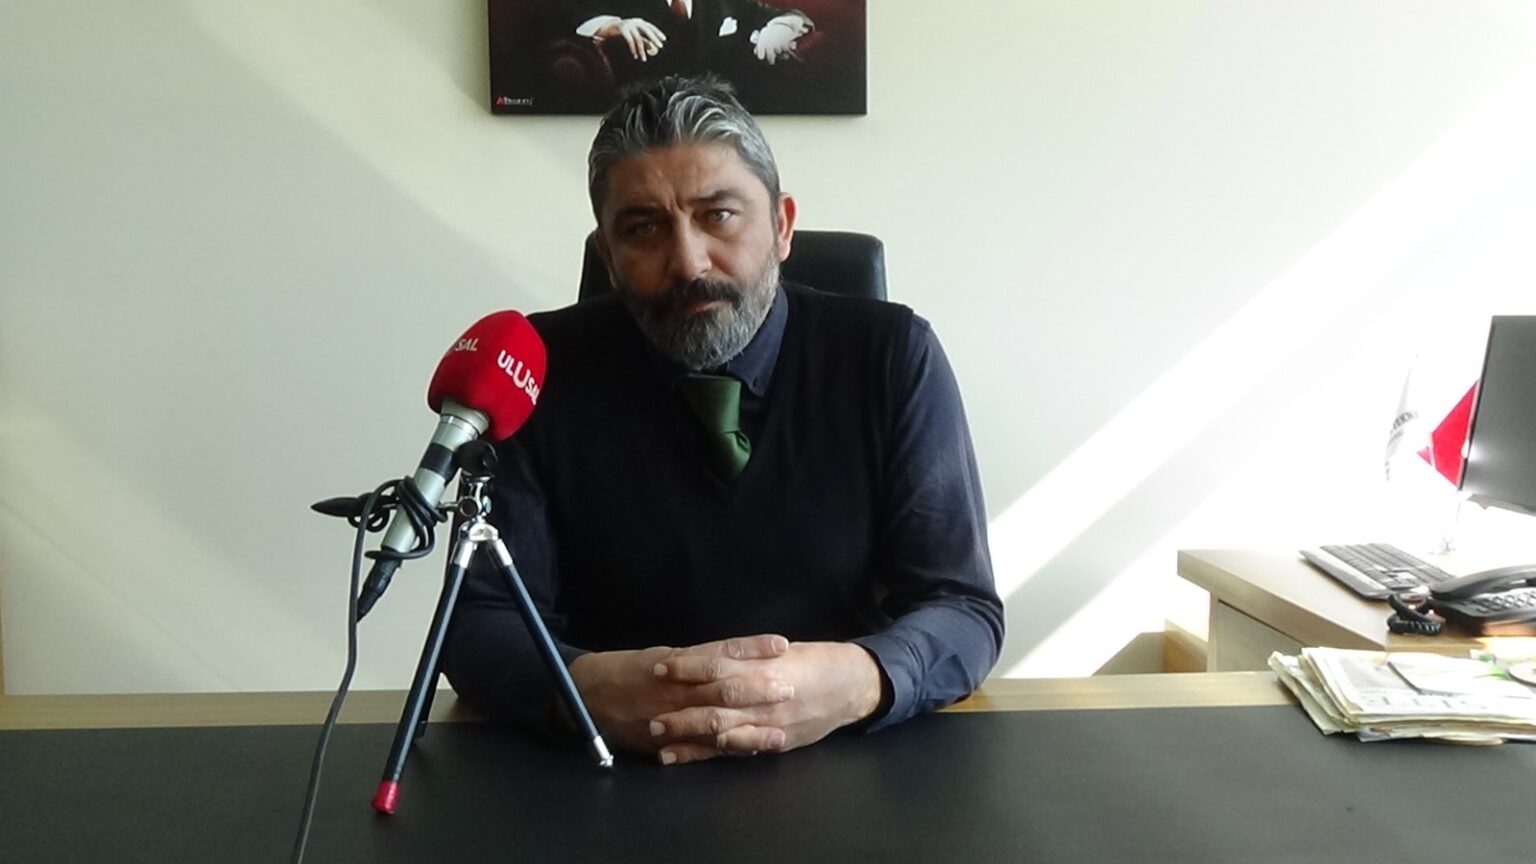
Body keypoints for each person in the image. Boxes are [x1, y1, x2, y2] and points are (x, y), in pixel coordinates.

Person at [444, 75, 1002, 766]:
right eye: (643, 228)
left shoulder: (892, 358)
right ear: (607, 255)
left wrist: (859, 680)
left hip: (847, 759)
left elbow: (963, 608)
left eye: (719, 215)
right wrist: (585, 688)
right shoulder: (535, 371)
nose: (688, 262)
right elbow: (478, 621)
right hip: (605, 769)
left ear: (783, 226)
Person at [572, 1, 813, 75]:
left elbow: (787, 16)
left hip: (717, 123)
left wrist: (780, 27)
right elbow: (566, 19)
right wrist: (612, 25)